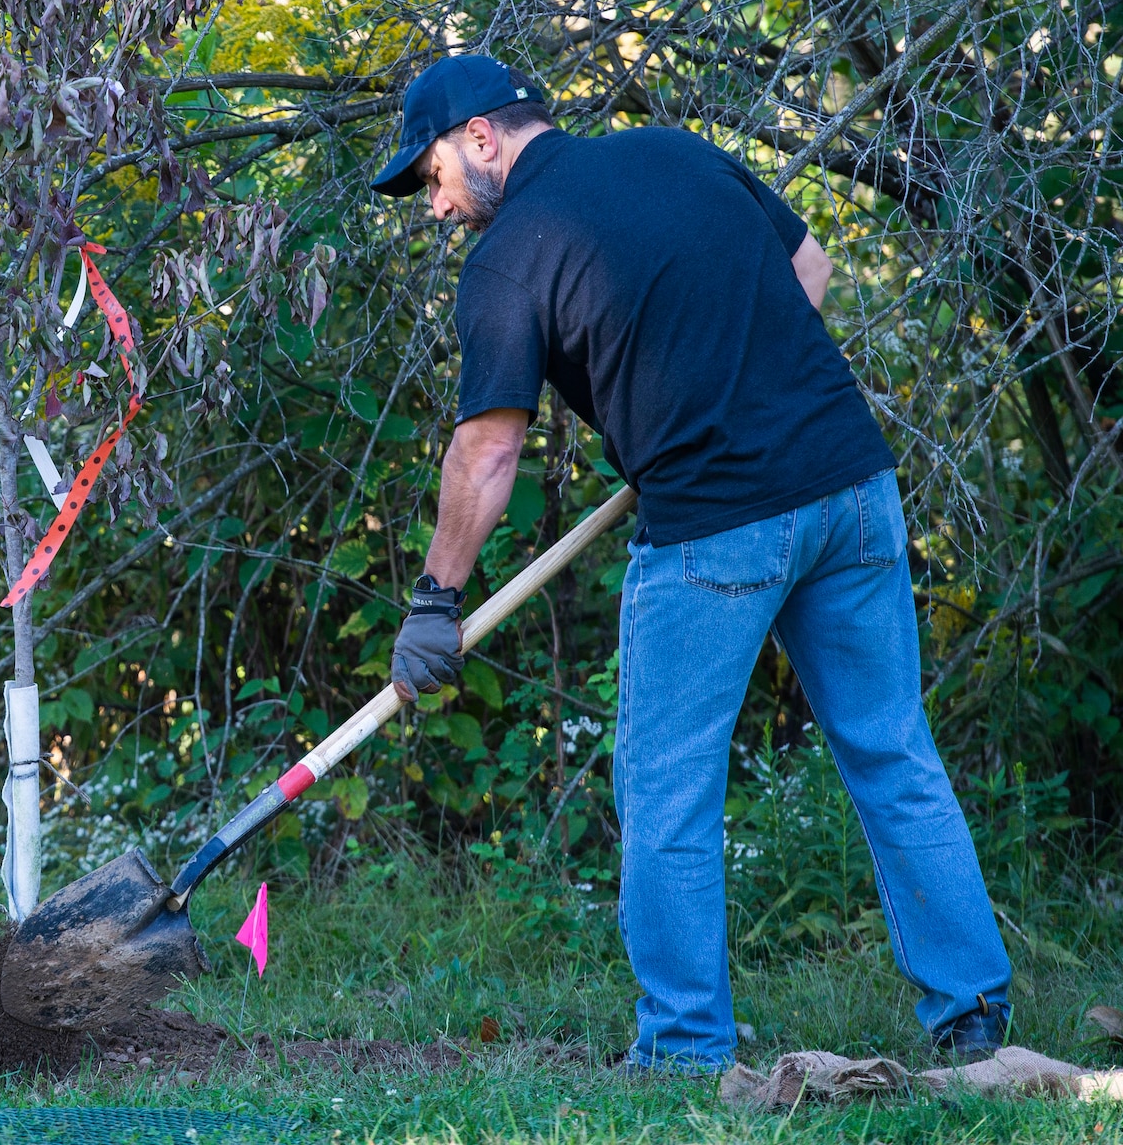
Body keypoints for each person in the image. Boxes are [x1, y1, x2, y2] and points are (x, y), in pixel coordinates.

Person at [373, 54, 1013, 1071]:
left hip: (716, 534)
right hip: (851, 492)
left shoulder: (511, 259)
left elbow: (486, 452)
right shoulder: (676, 152)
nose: (434, 205)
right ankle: (971, 1012)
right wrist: (741, 383)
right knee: (890, 752)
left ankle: (681, 1050)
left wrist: (434, 597)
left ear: (481, 138)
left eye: (431, 176)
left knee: (666, 791)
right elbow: (809, 270)